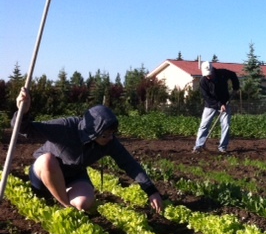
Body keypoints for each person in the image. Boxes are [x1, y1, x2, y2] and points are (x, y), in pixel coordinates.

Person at [12, 88, 163, 213]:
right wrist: (22, 112)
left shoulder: (109, 141)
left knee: (83, 204)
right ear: (92, 132)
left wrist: (151, 190)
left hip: (73, 177)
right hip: (43, 175)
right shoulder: (66, 127)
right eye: (105, 134)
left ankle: (65, 200)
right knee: (47, 160)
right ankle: (66, 206)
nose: (110, 138)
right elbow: (25, 130)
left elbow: (129, 163)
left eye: (112, 133)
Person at [193, 61, 240, 154]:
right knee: (204, 125)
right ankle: (199, 146)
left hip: (225, 103)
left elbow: (233, 75)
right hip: (210, 105)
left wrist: (236, 87)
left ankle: (223, 147)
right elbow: (207, 97)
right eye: (207, 75)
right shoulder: (203, 81)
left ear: (213, 70)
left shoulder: (222, 73)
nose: (208, 76)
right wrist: (219, 105)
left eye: (210, 74)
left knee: (226, 125)